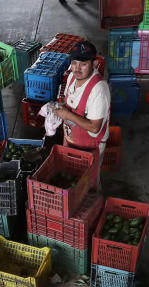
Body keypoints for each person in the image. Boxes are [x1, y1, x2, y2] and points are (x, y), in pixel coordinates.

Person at [53, 40, 110, 189]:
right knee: (70, 181)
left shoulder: (98, 90)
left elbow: (94, 127)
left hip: (90, 147)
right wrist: (59, 109)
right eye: (74, 63)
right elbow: (68, 103)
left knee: (88, 185)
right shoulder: (73, 76)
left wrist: (67, 115)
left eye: (83, 64)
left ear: (95, 63)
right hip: (71, 139)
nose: (77, 69)